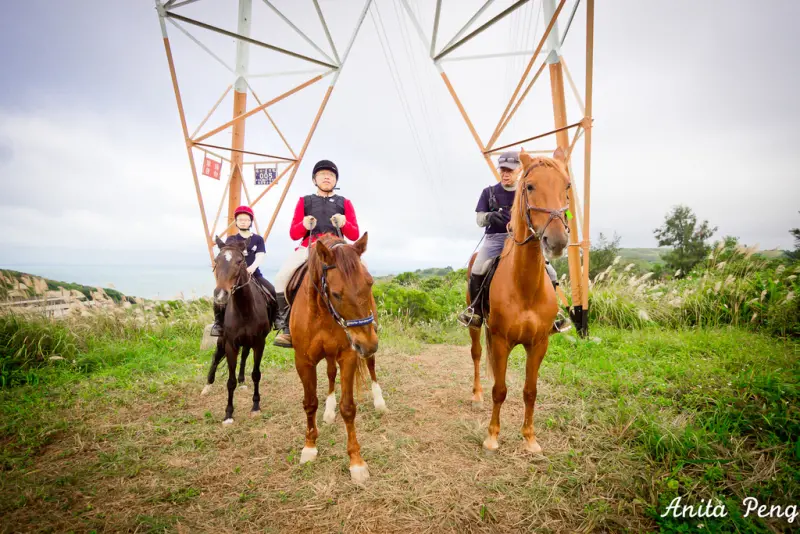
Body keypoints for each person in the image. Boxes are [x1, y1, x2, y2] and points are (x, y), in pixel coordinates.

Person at [458, 151, 561, 328]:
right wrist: (489, 217)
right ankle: (475, 312)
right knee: (478, 267)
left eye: (510, 170)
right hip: (495, 239)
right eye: (503, 170)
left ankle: (552, 315)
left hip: (522, 239)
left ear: (519, 170)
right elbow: (479, 219)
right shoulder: (488, 192)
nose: (505, 174)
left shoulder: (527, 190)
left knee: (552, 273)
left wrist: (565, 216)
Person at [272, 159, 360, 348]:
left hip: (337, 250)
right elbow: (293, 234)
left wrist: (344, 223)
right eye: (322, 174)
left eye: (331, 175)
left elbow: (354, 234)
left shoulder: (345, 202)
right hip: (309, 247)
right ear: (314, 180)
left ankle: (365, 322)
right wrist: (303, 225)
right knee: (280, 278)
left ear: (335, 181)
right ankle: (286, 326)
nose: (327, 177)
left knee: (362, 275)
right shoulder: (305, 201)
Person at [211, 205, 276, 336]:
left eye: (246, 219)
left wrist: (252, 268)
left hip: (254, 274)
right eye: (240, 219)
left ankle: (276, 320)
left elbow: (260, 255)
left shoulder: (258, 239)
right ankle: (218, 323)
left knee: (272, 291)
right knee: (220, 294)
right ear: (236, 222)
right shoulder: (231, 239)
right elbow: (227, 256)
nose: (243, 222)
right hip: (235, 276)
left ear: (251, 221)